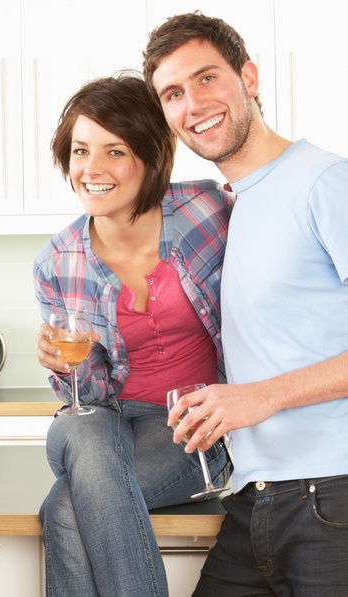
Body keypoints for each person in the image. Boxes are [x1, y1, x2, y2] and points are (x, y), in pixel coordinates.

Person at [144, 12, 348, 596]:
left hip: (331, 494)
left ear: (249, 78)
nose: (194, 104)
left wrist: (258, 398)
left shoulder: (324, 182)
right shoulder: (233, 204)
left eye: (207, 78)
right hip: (254, 497)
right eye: (174, 93)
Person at [33, 72, 233, 597]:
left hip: (192, 424)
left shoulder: (207, 213)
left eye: (114, 151)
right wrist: (66, 366)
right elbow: (89, 399)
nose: (90, 170)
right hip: (99, 423)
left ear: (151, 156)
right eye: (80, 151)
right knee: (84, 428)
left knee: (66, 507)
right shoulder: (57, 262)